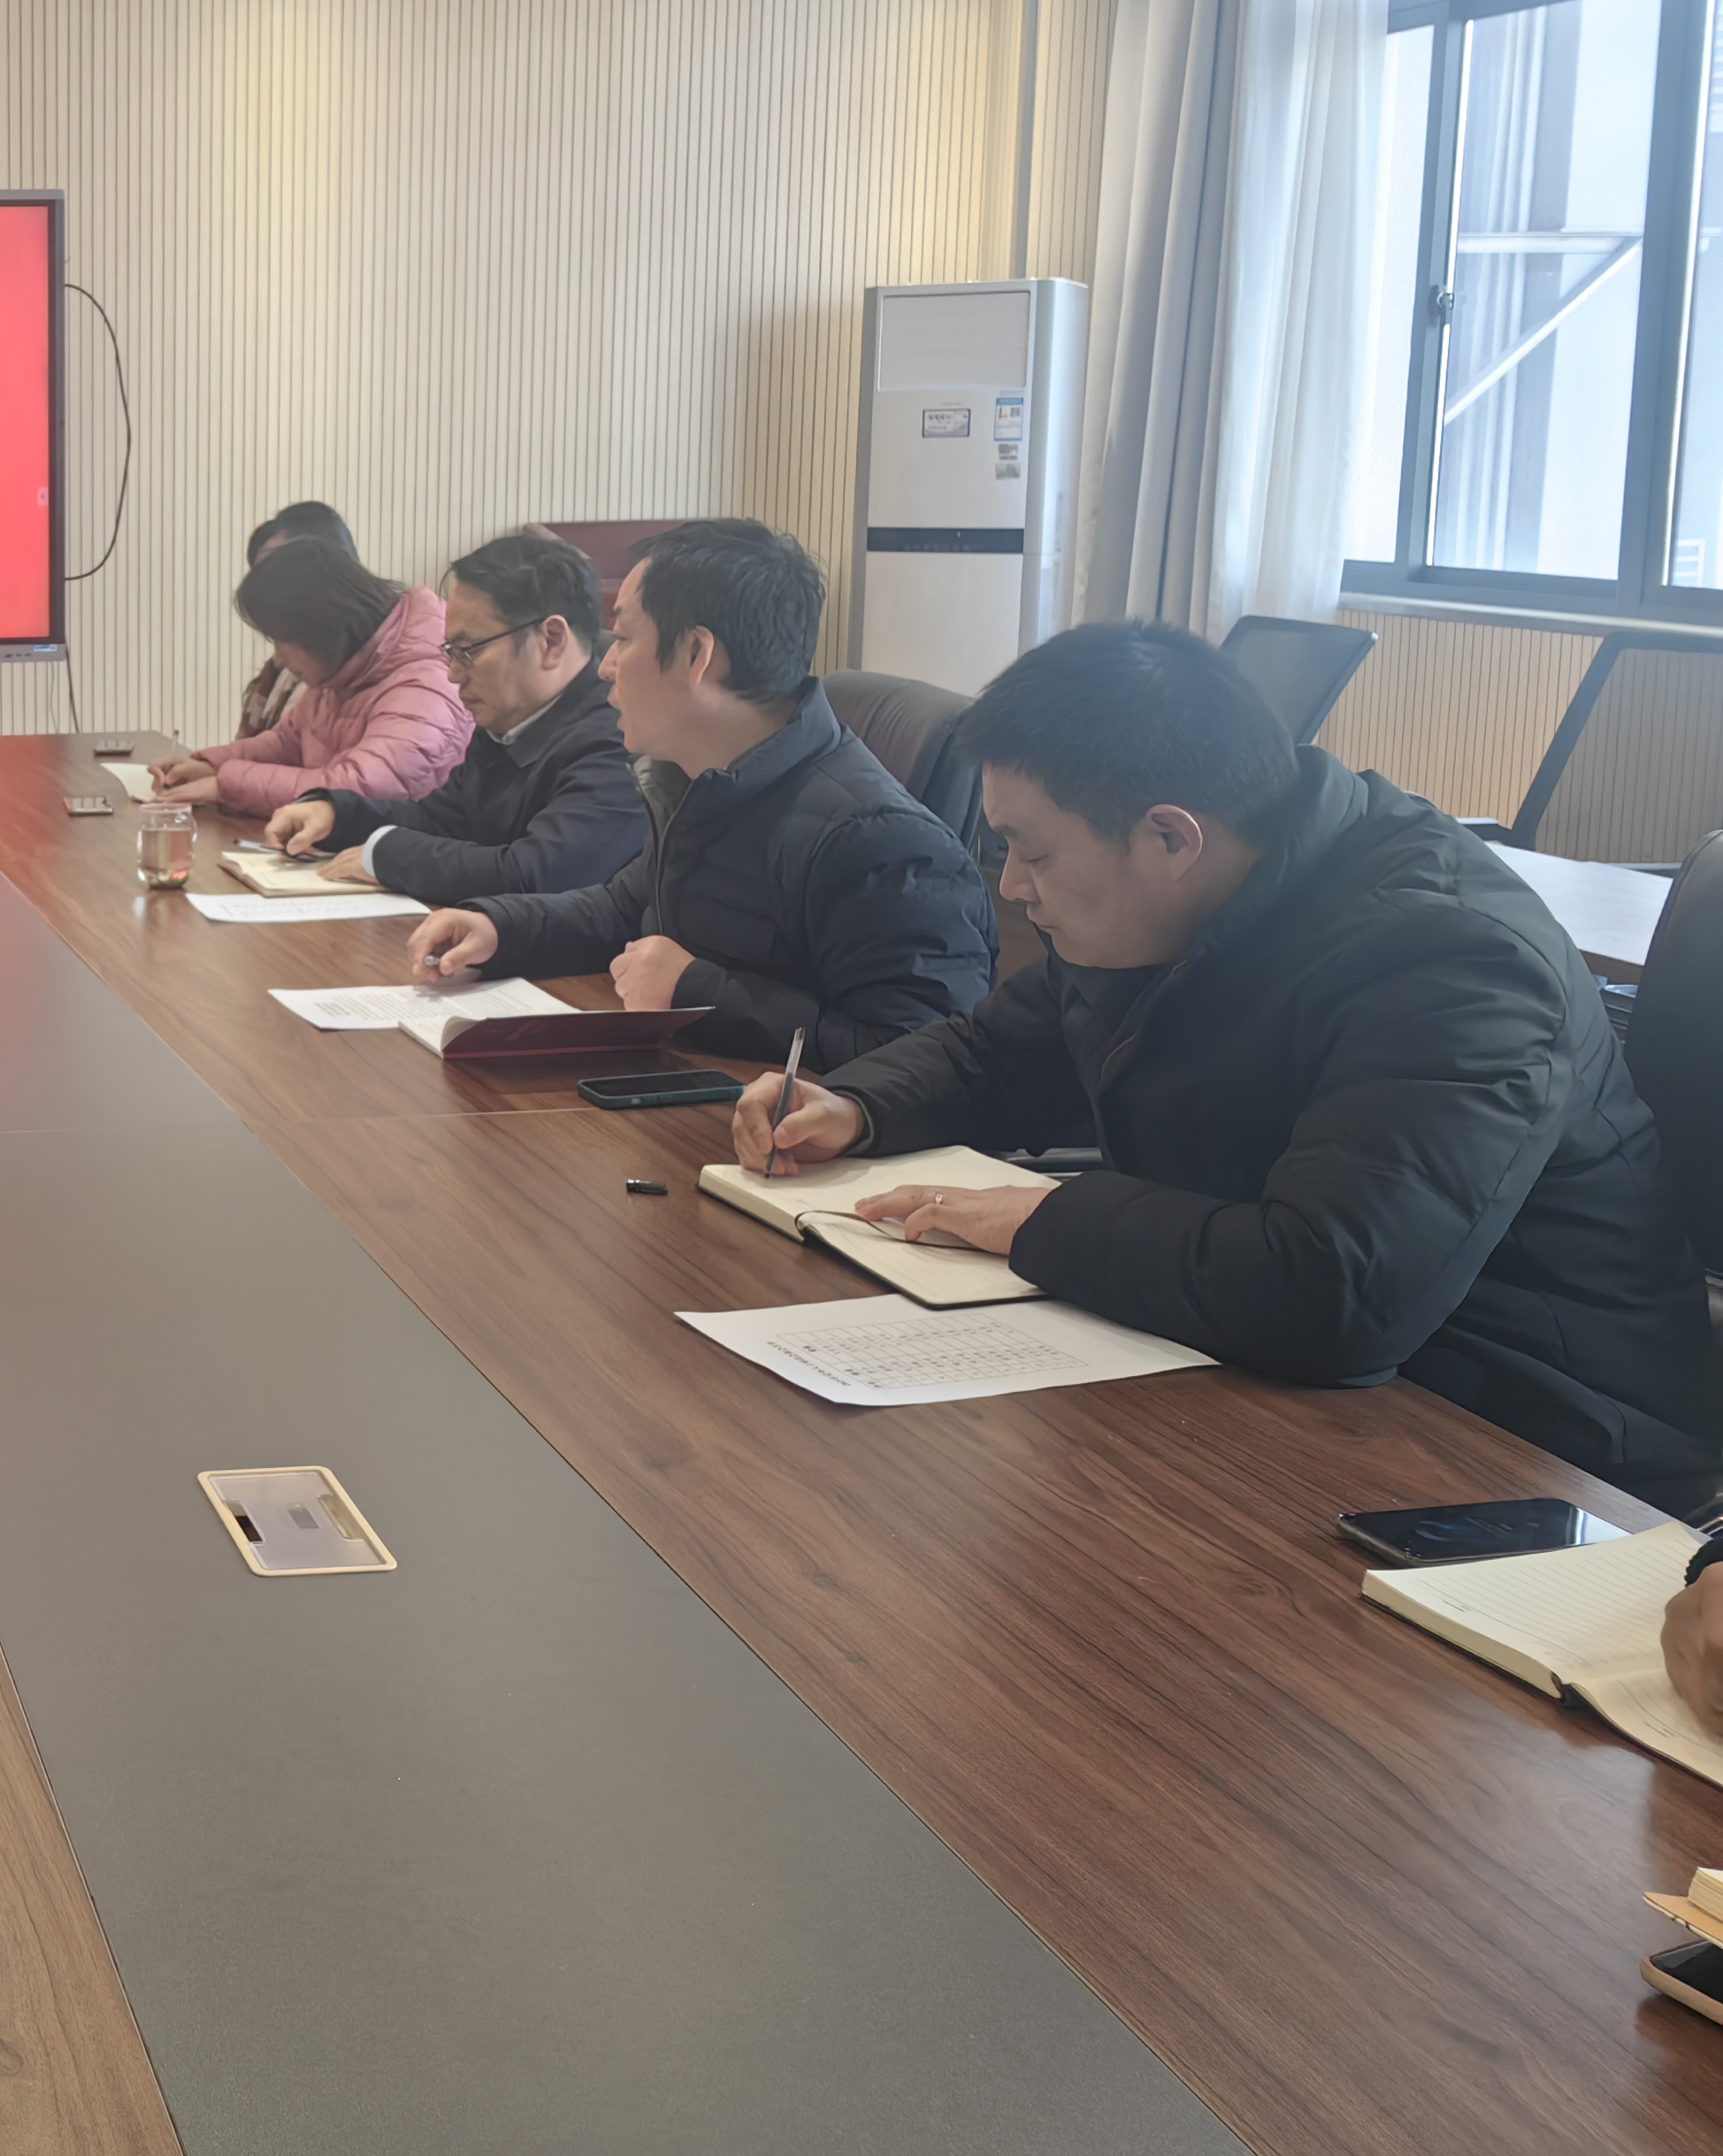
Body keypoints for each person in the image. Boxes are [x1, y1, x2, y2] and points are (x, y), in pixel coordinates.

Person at [739, 621, 1723, 1511]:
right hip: (1277, 1378)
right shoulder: (1178, 898)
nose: (1012, 886)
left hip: (1539, 1455)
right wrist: (854, 1106)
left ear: (1171, 837)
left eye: (1031, 853)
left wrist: (1043, 1218)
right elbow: (999, 1050)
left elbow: (1330, 1293)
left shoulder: (1451, 960)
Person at [402, 520, 992, 1063]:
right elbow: (621, 911)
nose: (605, 666)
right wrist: (500, 929)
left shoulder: (881, 843)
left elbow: (924, 1058)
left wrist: (695, 990)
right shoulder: (694, 776)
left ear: (696, 655)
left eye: (623, 639)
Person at [259, 528, 642, 906]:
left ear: (552, 640)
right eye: (450, 652)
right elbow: (441, 822)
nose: (454, 674)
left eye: (469, 651)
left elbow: (538, 873)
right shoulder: (508, 723)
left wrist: (386, 856)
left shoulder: (616, 741)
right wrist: (337, 815)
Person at [149, 539, 471, 815]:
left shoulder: (426, 683)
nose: (279, 657)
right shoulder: (346, 666)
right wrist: (210, 765)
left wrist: (227, 785)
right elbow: (287, 741)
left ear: (323, 627)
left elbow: (359, 788)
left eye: (282, 639)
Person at [232, 501, 358, 738]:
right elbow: (275, 748)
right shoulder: (279, 671)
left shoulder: (344, 677)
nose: (265, 583)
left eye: (278, 567)